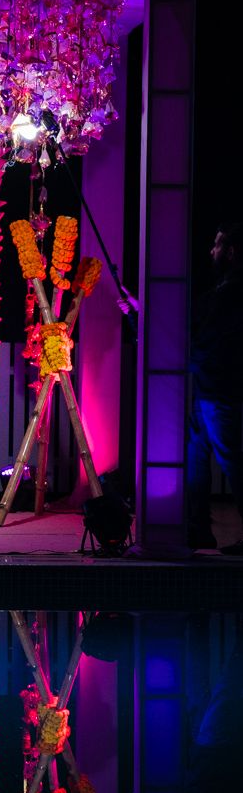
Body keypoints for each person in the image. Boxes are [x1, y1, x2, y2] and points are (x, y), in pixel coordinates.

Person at [187, 221, 243, 553]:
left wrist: (187, 359)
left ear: (231, 252)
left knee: (229, 458)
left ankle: (199, 528)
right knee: (199, 454)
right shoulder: (226, 289)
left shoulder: (231, 293)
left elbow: (207, 337)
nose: (212, 251)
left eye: (218, 245)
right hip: (212, 386)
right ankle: (198, 528)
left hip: (219, 388)